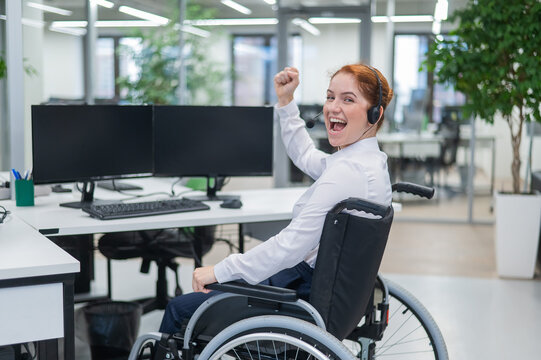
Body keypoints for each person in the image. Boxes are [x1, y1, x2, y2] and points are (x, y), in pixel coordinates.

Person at [159, 63, 394, 334]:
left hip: (300, 293)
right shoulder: (370, 163)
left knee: (180, 310)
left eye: (348, 99)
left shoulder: (347, 172)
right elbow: (306, 156)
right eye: (330, 97)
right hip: (325, 291)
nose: (332, 107)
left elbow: (289, 246)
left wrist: (219, 271)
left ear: (375, 114)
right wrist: (286, 101)